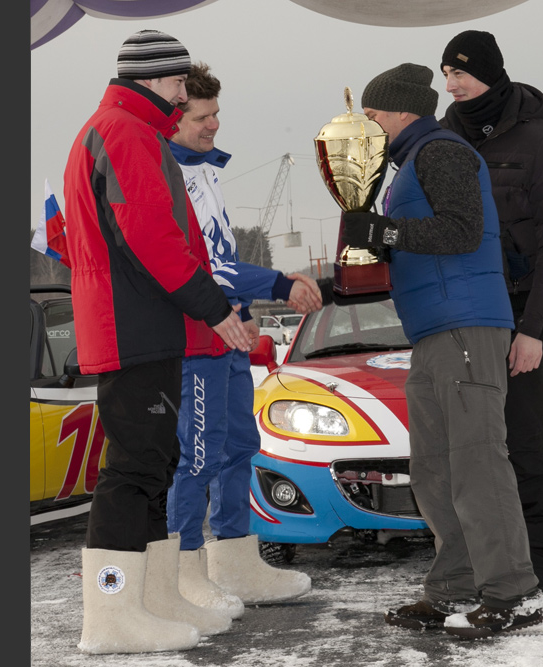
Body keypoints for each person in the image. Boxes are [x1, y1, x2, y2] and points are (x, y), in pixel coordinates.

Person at [61, 29, 255, 654]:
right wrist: (214, 307)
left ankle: (155, 597)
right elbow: (149, 236)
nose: (180, 95)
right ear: (148, 79)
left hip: (144, 324)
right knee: (133, 468)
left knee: (155, 462)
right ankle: (112, 613)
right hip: (130, 326)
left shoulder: (132, 130)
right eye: (175, 82)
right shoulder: (123, 133)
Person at [340, 63, 543, 640]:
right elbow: (423, 242)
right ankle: (454, 587)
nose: (368, 126)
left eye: (374, 115)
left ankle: (514, 592)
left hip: (465, 327)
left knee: (478, 462)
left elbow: (460, 230)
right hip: (434, 332)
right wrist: (366, 256)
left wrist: (384, 233)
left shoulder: (441, 152)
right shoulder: (410, 162)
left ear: (404, 111)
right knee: (435, 471)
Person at [165, 62, 320, 611]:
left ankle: (234, 562)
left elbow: (222, 250)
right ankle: (182, 573)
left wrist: (246, 308)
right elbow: (201, 267)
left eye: (216, 114)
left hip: (227, 332)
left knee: (239, 447)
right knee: (198, 456)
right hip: (192, 337)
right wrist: (280, 283)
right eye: (202, 117)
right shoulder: (167, 173)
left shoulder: (204, 167)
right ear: (174, 118)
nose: (213, 125)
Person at [438, 30, 543, 606]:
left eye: (461, 72)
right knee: (470, 447)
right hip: (464, 314)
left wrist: (534, 329)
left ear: (490, 73)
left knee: (526, 440)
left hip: (521, 311)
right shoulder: (443, 138)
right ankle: (484, 565)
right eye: (446, 73)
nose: (451, 84)